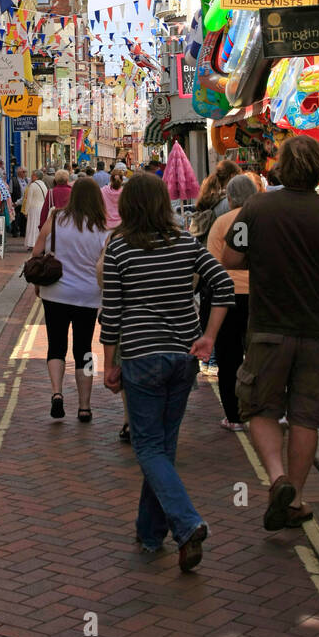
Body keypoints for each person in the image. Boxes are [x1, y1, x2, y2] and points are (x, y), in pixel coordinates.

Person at [222, 135, 319, 530]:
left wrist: (267, 262)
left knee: (259, 407)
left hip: (267, 329)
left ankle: (277, 477)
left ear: (281, 167)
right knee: (306, 417)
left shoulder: (256, 208)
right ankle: (296, 498)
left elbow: (230, 257)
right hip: (314, 333)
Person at [100, 173, 234, 572]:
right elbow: (223, 287)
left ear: (128, 206)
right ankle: (149, 533)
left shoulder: (119, 249)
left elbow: (111, 315)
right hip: (182, 358)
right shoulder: (187, 245)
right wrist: (208, 336)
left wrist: (109, 364)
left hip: (141, 357)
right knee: (163, 447)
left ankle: (187, 523)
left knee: (149, 448)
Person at [32, 179, 110, 423]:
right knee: (84, 350)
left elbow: (36, 254)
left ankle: (57, 393)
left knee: (56, 346)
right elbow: (105, 266)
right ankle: (85, 406)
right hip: (87, 296)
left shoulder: (55, 218)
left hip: (55, 293)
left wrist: (38, 285)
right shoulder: (101, 228)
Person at [207, 175, 259, 432]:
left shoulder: (221, 223)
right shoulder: (264, 221)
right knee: (260, 354)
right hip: (259, 295)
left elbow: (211, 265)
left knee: (228, 358)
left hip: (226, 297)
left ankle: (234, 415)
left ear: (229, 198)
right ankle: (263, 410)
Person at [23, 170, 47, 250]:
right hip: (41, 208)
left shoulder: (33, 185)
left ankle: (32, 243)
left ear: (36, 176)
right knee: (38, 226)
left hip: (33, 208)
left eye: (33, 175)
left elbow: (29, 199)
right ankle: (39, 243)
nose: (31, 176)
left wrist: (26, 211)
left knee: (32, 226)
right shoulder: (43, 185)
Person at [10, 166, 28, 238]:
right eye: (24, 172)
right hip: (16, 202)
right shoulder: (13, 180)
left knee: (23, 218)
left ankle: (23, 232)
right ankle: (15, 232)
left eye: (25, 172)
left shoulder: (27, 180)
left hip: (24, 202)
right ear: (19, 173)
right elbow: (10, 192)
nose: (25, 173)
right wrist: (11, 202)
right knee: (16, 217)